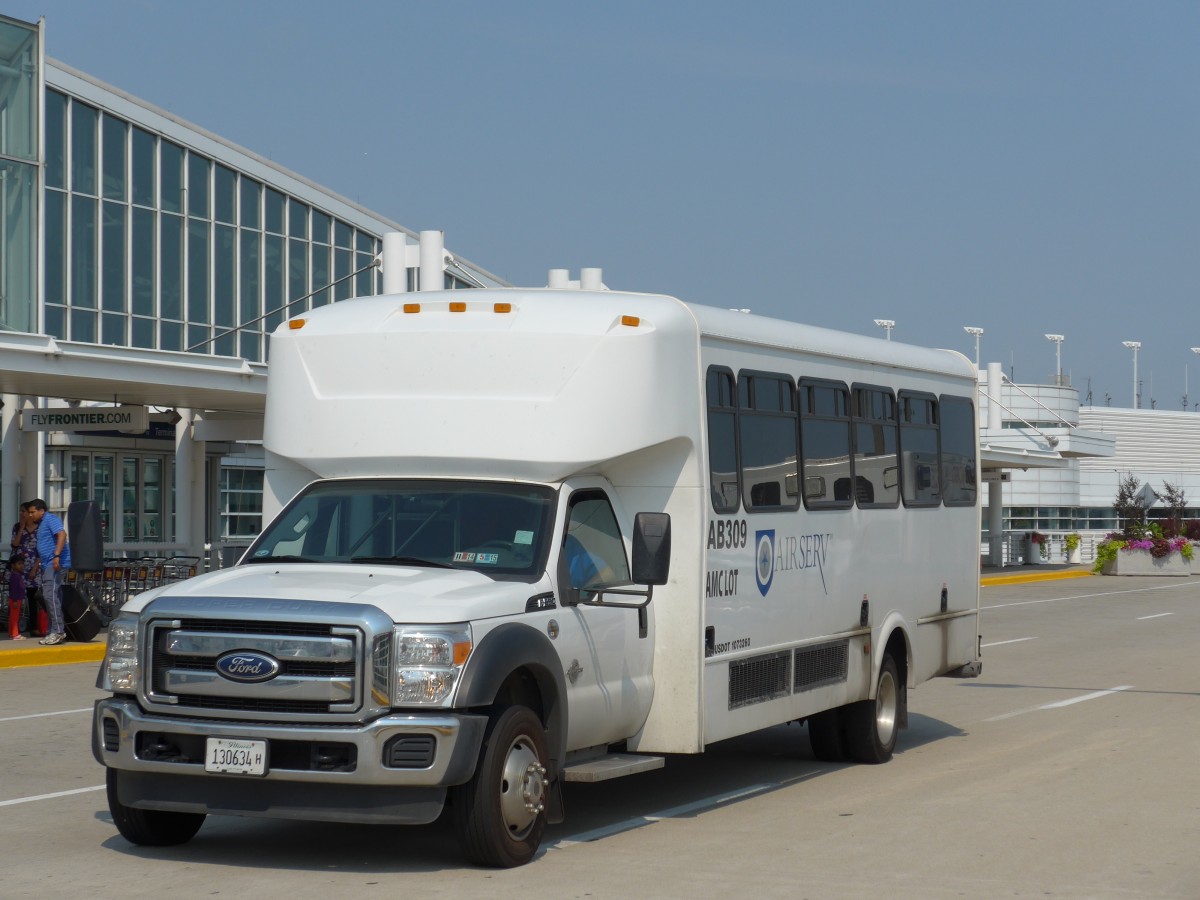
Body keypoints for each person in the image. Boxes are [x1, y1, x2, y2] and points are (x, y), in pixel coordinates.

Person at [27, 499, 71, 646]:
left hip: (55, 564)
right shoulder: (42, 524)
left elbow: (62, 534)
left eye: (33, 512)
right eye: (29, 512)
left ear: (41, 511)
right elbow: (44, 547)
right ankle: (53, 630)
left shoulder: (50, 519)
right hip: (48, 564)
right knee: (52, 597)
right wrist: (36, 566)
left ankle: (58, 631)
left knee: (50, 595)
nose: (30, 515)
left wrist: (57, 555)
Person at [10, 502, 42, 636]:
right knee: (16, 598)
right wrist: (22, 527)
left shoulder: (40, 528)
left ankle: (34, 626)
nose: (23, 514)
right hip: (19, 567)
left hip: (33, 567)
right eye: (21, 511)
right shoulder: (17, 527)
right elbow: (15, 544)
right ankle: (14, 629)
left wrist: (34, 569)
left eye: (25, 511)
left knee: (32, 597)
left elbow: (41, 551)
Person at [7, 553, 27, 640]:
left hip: (17, 599)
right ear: (13, 565)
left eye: (22, 564)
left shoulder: (17, 575)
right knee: (15, 617)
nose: (21, 566)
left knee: (13, 617)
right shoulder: (15, 576)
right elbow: (14, 589)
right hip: (15, 599)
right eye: (19, 564)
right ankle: (15, 634)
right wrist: (15, 600)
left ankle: (11, 633)